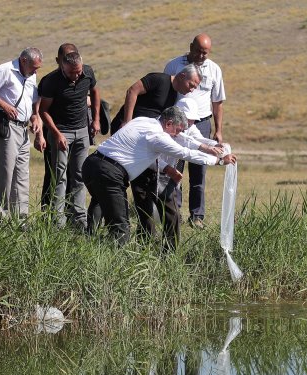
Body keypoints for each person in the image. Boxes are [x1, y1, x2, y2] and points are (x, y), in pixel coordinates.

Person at [83, 107, 236, 246]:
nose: (177, 134)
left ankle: (91, 244)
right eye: (177, 130)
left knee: (107, 211)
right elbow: (184, 152)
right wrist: (219, 160)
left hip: (92, 165)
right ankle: (109, 267)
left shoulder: (143, 121)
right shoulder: (158, 137)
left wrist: (204, 147)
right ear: (168, 124)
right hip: (109, 174)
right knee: (121, 230)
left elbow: (159, 149)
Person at [105, 66, 202, 243]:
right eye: (192, 84)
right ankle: (108, 228)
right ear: (181, 76)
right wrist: (127, 121)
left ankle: (146, 236)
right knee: (114, 183)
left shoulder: (175, 95)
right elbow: (132, 90)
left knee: (144, 183)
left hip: (147, 142)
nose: (192, 89)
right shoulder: (159, 80)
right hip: (130, 137)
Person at [164, 34, 227, 230]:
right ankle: (175, 211)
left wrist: (218, 130)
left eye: (205, 53)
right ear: (190, 47)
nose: (201, 56)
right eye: (198, 51)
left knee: (199, 170)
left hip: (202, 123)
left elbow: (217, 102)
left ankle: (197, 215)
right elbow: (166, 94)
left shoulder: (214, 69)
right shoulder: (174, 65)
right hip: (178, 123)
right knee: (176, 167)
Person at [38, 44, 101, 230]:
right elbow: (43, 111)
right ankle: (58, 221)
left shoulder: (87, 72)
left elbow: (95, 92)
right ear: (62, 67)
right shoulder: (51, 81)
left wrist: (96, 120)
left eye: (78, 72)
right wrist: (56, 134)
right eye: (71, 73)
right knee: (60, 176)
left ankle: (79, 219)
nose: (75, 76)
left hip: (82, 131)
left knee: (79, 175)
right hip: (61, 132)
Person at [0, 47, 43, 224]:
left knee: (22, 174)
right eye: (34, 67)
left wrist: (35, 116)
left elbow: (33, 102)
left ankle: (20, 219)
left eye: (37, 69)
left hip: (24, 128)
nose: (36, 71)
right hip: (6, 126)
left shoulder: (31, 75)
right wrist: (4, 105)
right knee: (6, 173)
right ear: (23, 60)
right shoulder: (4, 70)